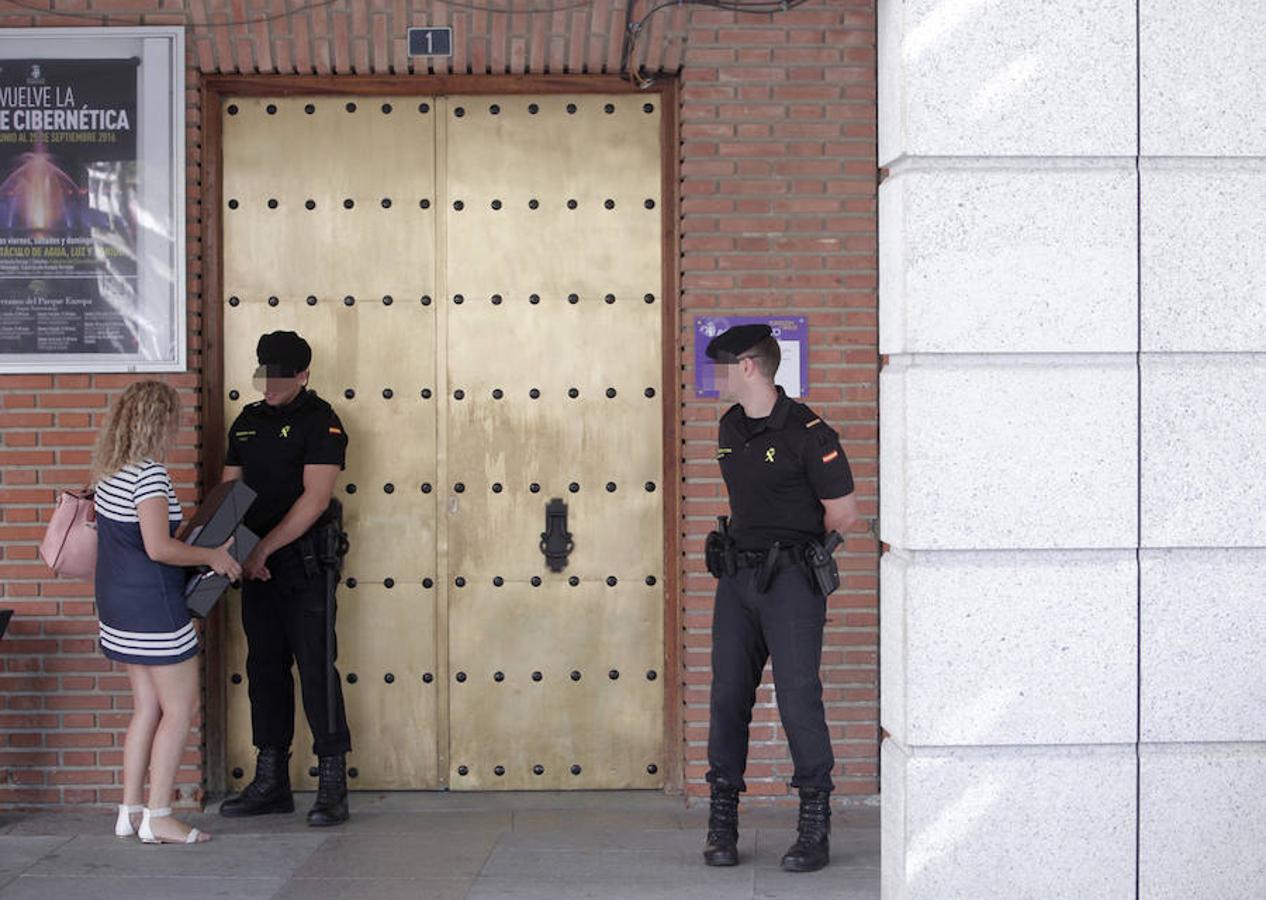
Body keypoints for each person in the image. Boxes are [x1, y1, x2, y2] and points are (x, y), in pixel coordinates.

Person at [700, 323, 860, 873]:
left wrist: (798, 550)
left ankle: (813, 826)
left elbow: (845, 514)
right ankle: (723, 821)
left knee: (797, 701)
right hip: (737, 583)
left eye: (719, 365)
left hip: (791, 584)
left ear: (747, 367)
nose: (711, 376)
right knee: (727, 698)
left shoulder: (809, 433)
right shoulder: (728, 426)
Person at [92, 380, 241, 844]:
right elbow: (159, 548)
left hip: (117, 605)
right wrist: (212, 556)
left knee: (146, 707)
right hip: (155, 608)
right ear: (159, 422)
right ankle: (160, 817)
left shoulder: (109, 472)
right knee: (180, 708)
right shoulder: (149, 475)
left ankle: (129, 810)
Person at [218, 330, 352, 827]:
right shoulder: (247, 423)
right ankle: (271, 779)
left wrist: (264, 549)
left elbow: (315, 500)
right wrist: (239, 552)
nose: (268, 384)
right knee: (264, 670)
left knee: (317, 667)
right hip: (255, 566)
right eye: (263, 372)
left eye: (279, 374)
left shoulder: (322, 422)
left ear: (303, 375)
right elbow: (228, 495)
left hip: (304, 564)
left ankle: (332, 783)